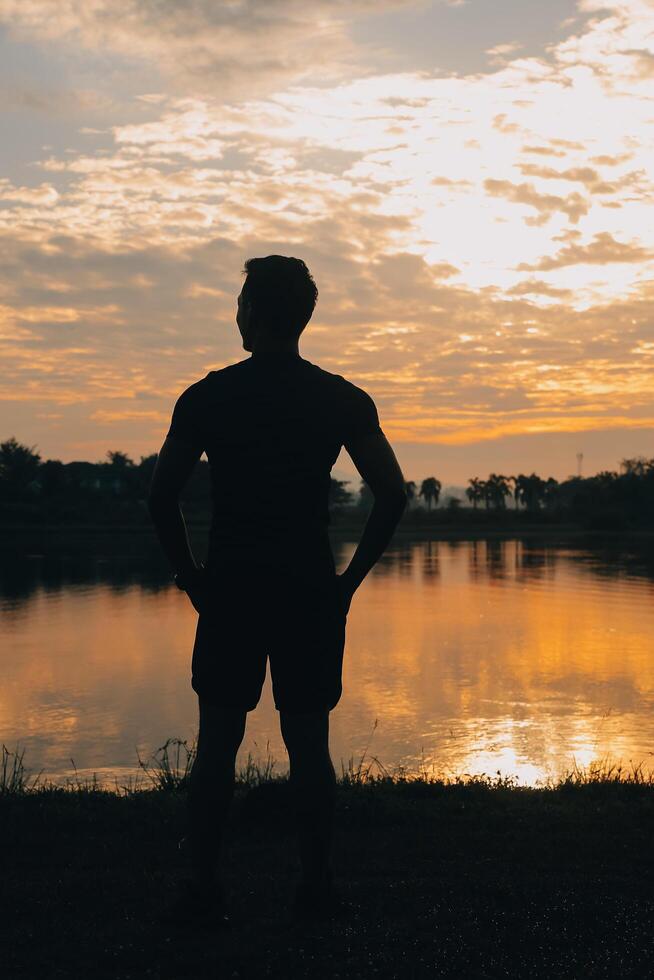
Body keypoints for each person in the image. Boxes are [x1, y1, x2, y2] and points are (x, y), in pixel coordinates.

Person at [148, 254, 407, 927]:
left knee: (217, 742)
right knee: (309, 743)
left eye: (239, 303)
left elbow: (160, 497)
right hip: (308, 590)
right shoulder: (341, 399)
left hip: (231, 588)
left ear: (255, 313)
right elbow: (394, 492)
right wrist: (348, 582)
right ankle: (315, 889)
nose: (234, 314)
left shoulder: (207, 397)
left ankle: (204, 889)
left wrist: (192, 580)